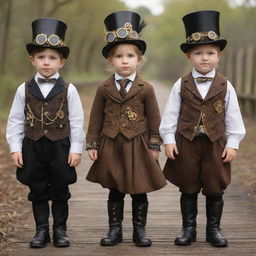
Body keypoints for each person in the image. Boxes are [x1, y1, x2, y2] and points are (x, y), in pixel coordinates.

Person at [159, 10, 246, 247]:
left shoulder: (225, 85)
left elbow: (233, 118)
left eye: (210, 53)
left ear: (219, 56)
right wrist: (168, 139)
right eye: (198, 53)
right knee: (188, 186)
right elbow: (170, 115)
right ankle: (188, 228)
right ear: (189, 56)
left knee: (214, 187)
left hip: (215, 144)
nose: (204, 58)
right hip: (186, 142)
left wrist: (233, 143)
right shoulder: (181, 83)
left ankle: (213, 229)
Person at [86, 11, 166, 247]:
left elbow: (154, 118)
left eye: (130, 55)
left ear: (139, 59)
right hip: (111, 143)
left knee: (139, 189)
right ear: (110, 60)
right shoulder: (104, 88)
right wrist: (92, 143)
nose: (124, 60)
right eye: (118, 56)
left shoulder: (146, 88)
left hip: (138, 144)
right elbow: (95, 118)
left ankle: (139, 231)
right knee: (116, 188)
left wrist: (154, 144)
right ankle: (115, 230)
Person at [6, 18, 85, 248]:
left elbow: (77, 121)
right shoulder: (24, 88)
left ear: (62, 61)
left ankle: (60, 230)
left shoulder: (70, 89)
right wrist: (15, 148)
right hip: (33, 146)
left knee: (60, 189)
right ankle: (41, 231)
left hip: (60, 145)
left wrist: (76, 149)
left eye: (52, 58)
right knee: (37, 189)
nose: (46, 63)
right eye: (41, 58)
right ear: (32, 60)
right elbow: (15, 120)